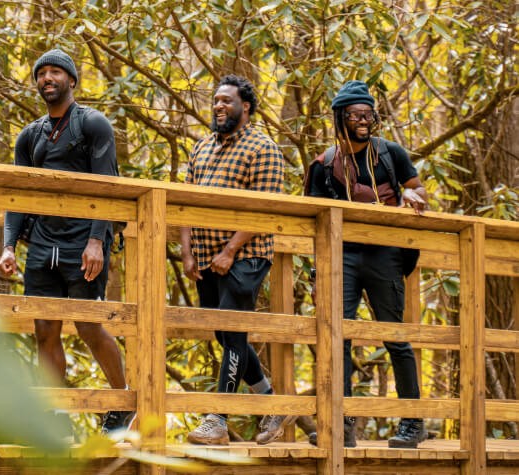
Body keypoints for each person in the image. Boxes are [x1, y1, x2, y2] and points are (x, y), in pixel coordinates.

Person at [0, 49, 133, 434]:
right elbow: (17, 194)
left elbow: (108, 184)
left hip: (82, 241)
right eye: (41, 74)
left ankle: (122, 404)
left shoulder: (93, 124)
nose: (48, 79)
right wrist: (9, 244)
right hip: (43, 243)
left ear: (72, 80)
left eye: (56, 72)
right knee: (45, 330)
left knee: (89, 325)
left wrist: (96, 241)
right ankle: (53, 415)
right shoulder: (30, 135)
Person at [304, 80, 428, 449]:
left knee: (397, 337)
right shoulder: (324, 164)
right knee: (338, 337)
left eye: (368, 114)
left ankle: (413, 423)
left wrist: (410, 194)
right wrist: (315, 273)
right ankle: (342, 425)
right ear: (341, 117)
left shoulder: (390, 153)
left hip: (384, 254)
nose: (363, 120)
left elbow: (420, 192)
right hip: (341, 256)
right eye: (355, 114)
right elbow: (311, 223)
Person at [181, 75, 289, 446]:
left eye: (227, 100)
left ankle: (218, 418)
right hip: (208, 257)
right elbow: (185, 201)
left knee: (232, 330)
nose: (219, 106)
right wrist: (188, 249)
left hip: (247, 255)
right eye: (216, 101)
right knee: (225, 333)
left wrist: (230, 251)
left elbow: (265, 210)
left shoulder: (263, 148)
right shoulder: (202, 148)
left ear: (246, 106)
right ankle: (272, 404)